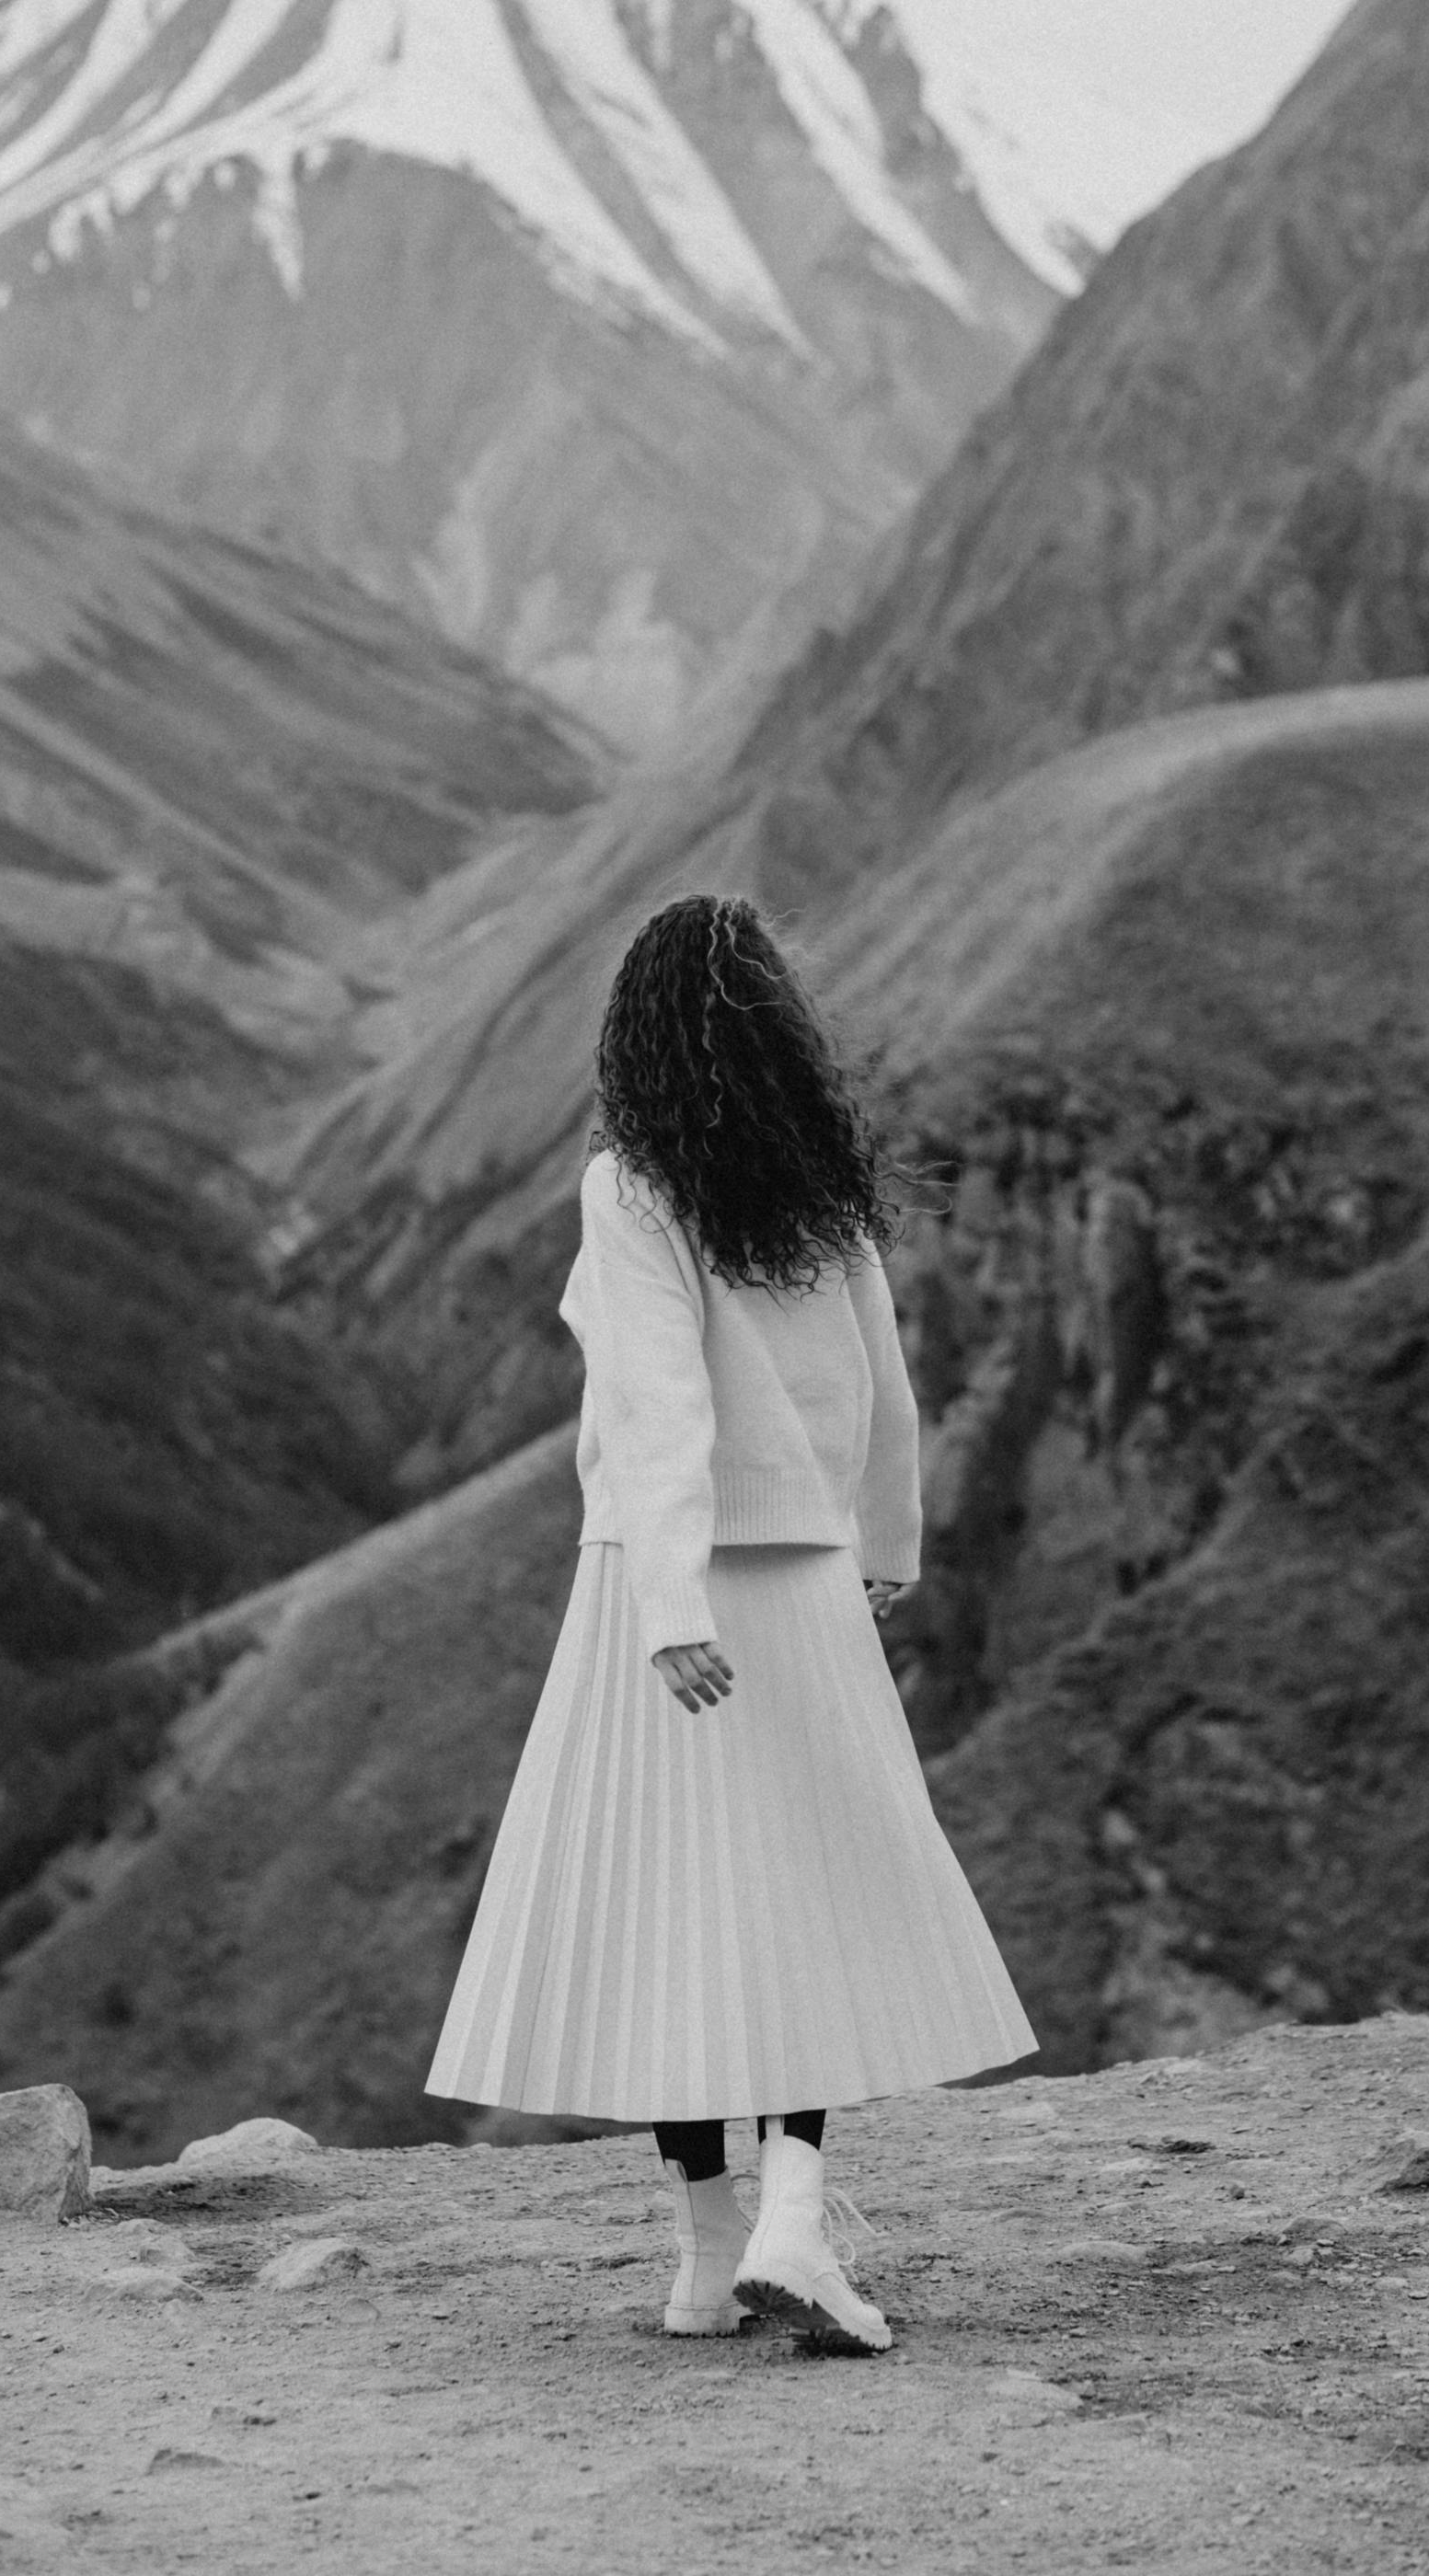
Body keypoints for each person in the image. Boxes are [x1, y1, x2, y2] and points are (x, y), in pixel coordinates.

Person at [425, 893, 1036, 2352]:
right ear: (780, 1027)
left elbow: (655, 1400)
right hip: (810, 1573)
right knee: (807, 1903)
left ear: (635, 1038)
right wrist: (885, 1548)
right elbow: (889, 1388)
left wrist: (672, 1597)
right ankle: (792, 2222)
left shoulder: (634, 1183)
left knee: (677, 1919)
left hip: (663, 1586)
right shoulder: (816, 1183)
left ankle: (713, 2264)